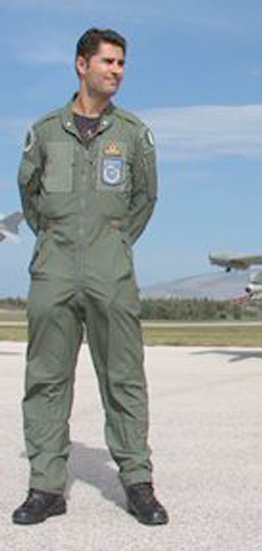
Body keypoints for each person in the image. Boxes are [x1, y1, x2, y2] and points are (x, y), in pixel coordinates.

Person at [13, 28, 167, 526]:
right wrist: (58, 240)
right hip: (53, 269)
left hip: (111, 270)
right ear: (81, 65)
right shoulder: (44, 132)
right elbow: (30, 198)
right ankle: (46, 488)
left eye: (122, 64)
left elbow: (145, 199)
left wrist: (113, 242)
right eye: (108, 62)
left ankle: (138, 482)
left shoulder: (133, 134)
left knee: (124, 378)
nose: (116, 72)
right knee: (46, 380)